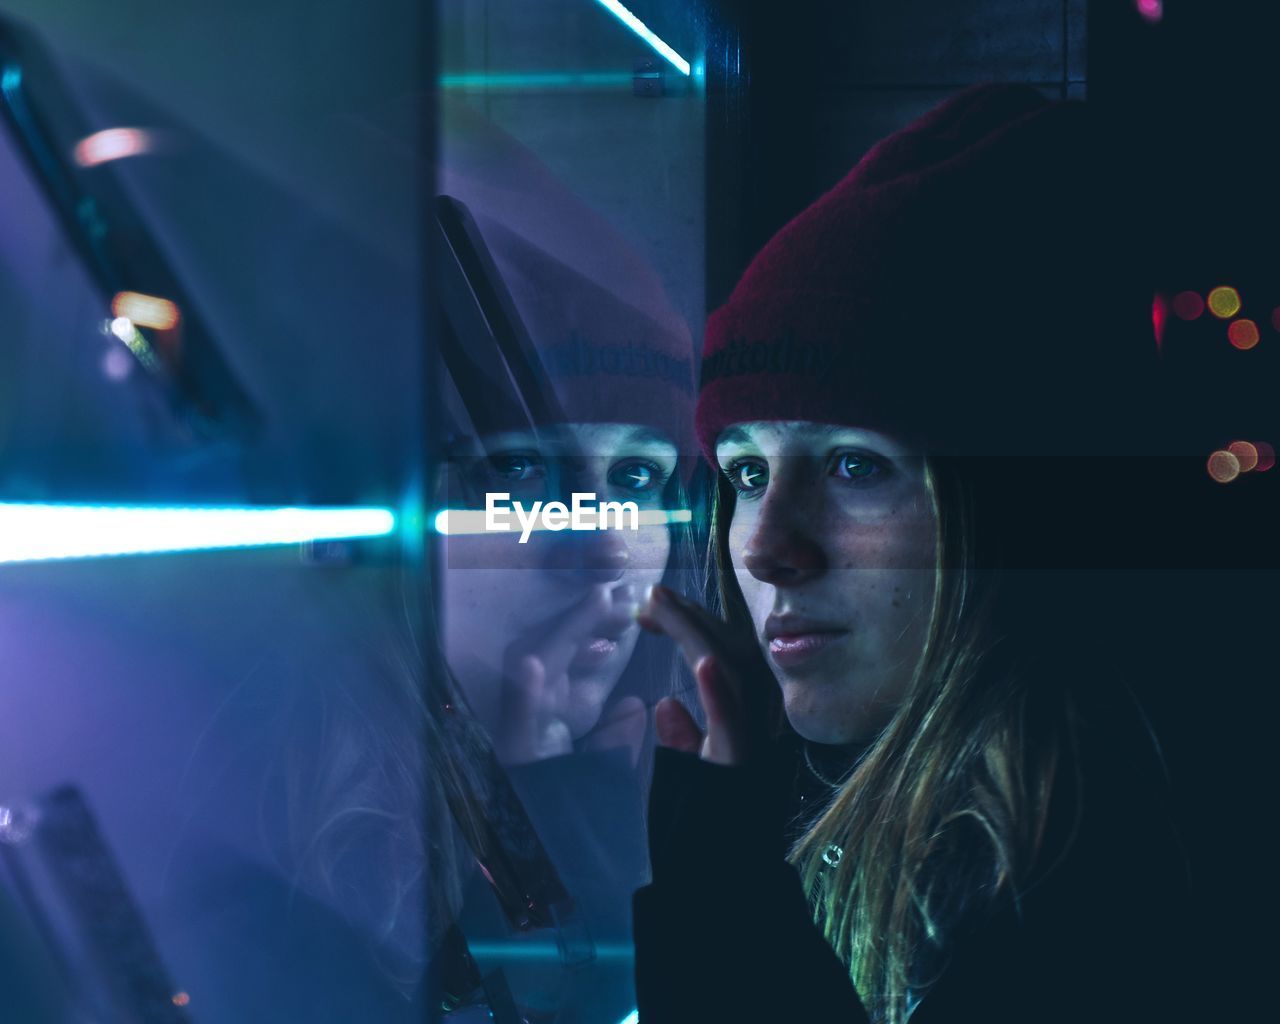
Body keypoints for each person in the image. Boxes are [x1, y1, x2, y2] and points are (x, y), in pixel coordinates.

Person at [631, 84, 1195, 1024]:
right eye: (747, 472)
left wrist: (724, 902)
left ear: (1017, 509)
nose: (766, 550)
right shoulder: (853, 788)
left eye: (855, 465)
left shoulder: (1079, 875)